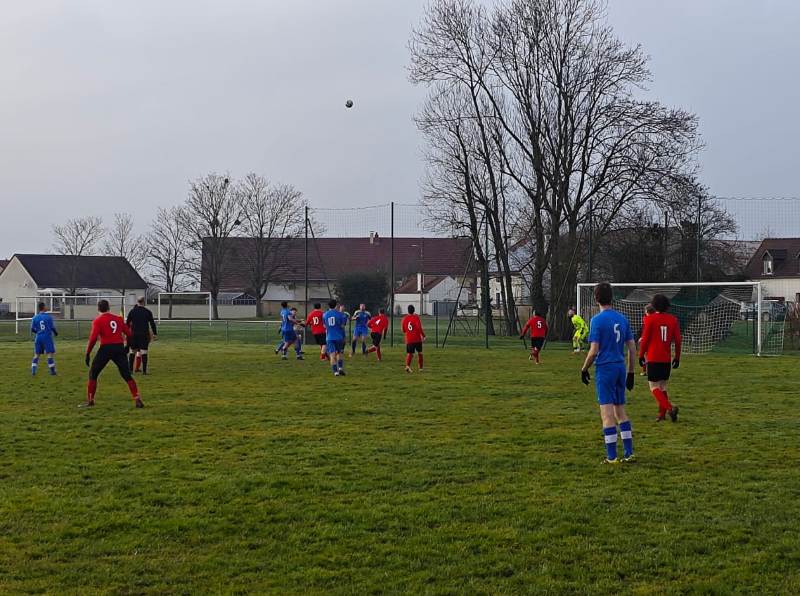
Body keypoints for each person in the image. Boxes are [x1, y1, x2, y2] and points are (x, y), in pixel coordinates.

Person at [580, 283, 636, 464]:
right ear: (612, 298)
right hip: (620, 367)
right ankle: (629, 453)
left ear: (596, 298)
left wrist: (584, 369)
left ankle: (612, 457)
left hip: (605, 369)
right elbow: (632, 348)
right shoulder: (622, 318)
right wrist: (631, 372)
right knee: (620, 410)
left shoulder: (597, 320)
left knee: (607, 414)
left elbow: (593, 351)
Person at [82, 299, 143, 409]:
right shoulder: (118, 319)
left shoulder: (98, 320)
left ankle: (90, 400)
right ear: (109, 307)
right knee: (126, 375)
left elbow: (93, 338)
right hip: (118, 348)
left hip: (105, 348)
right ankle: (137, 398)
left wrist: (88, 353)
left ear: (98, 308)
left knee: (93, 373)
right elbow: (129, 333)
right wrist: (127, 347)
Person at [638, 294, 681, 422]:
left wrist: (641, 354)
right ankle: (662, 415)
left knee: (654, 387)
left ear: (654, 305)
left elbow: (645, 340)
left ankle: (670, 408)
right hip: (666, 359)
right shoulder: (673, 320)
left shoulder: (650, 319)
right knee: (662, 387)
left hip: (653, 358)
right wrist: (677, 357)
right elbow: (678, 340)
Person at [126, 296, 158, 375]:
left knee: (132, 352)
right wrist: (155, 334)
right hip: (143, 335)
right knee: (144, 352)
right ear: (144, 302)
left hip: (134, 335)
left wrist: (126, 333)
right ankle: (144, 371)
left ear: (137, 302)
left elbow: (127, 324)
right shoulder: (147, 312)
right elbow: (152, 323)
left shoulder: (132, 311)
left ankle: (130, 370)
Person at [30, 302, 58, 376]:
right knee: (49, 354)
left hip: (38, 337)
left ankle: (33, 371)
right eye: (45, 306)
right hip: (47, 337)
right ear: (43, 307)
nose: (46, 307)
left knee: (36, 355)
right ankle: (52, 371)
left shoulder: (35, 317)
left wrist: (38, 332)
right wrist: (56, 333)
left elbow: (32, 329)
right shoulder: (48, 317)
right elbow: (52, 327)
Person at [323, 300, 349, 376]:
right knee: (340, 353)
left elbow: (324, 325)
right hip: (338, 337)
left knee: (332, 354)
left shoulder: (325, 314)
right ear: (336, 305)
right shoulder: (340, 314)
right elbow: (342, 326)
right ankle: (340, 368)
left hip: (329, 337)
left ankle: (335, 372)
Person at [401, 304, 425, 373]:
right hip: (417, 339)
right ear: (414, 310)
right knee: (420, 353)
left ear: (408, 311)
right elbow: (419, 327)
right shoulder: (416, 317)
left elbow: (403, 330)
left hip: (409, 339)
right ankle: (420, 368)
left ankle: (407, 366)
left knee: (410, 353)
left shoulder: (404, 318)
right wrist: (423, 335)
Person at [639, 304, 655, 376]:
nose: (644, 312)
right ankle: (646, 370)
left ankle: (645, 371)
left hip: (648, 340)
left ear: (648, 311)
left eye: (645, 310)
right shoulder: (646, 318)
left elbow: (646, 330)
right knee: (647, 355)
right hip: (650, 339)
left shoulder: (648, 319)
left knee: (645, 355)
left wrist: (642, 337)